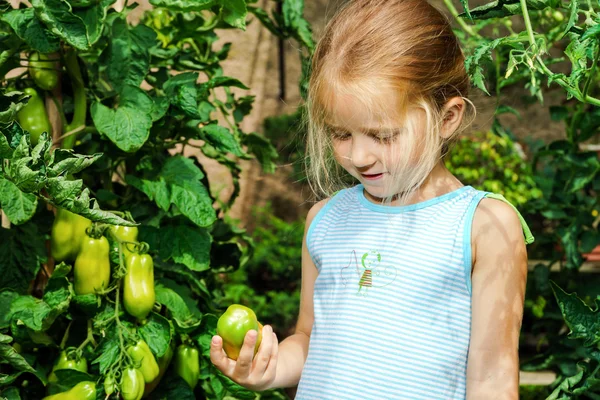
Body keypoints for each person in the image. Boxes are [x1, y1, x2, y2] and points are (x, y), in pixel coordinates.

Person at [210, 0, 534, 398]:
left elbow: (492, 379)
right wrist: (270, 366)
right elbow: (311, 339)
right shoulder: (325, 220)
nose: (357, 157)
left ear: (447, 118)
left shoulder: (484, 226)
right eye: (340, 134)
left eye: (382, 136)